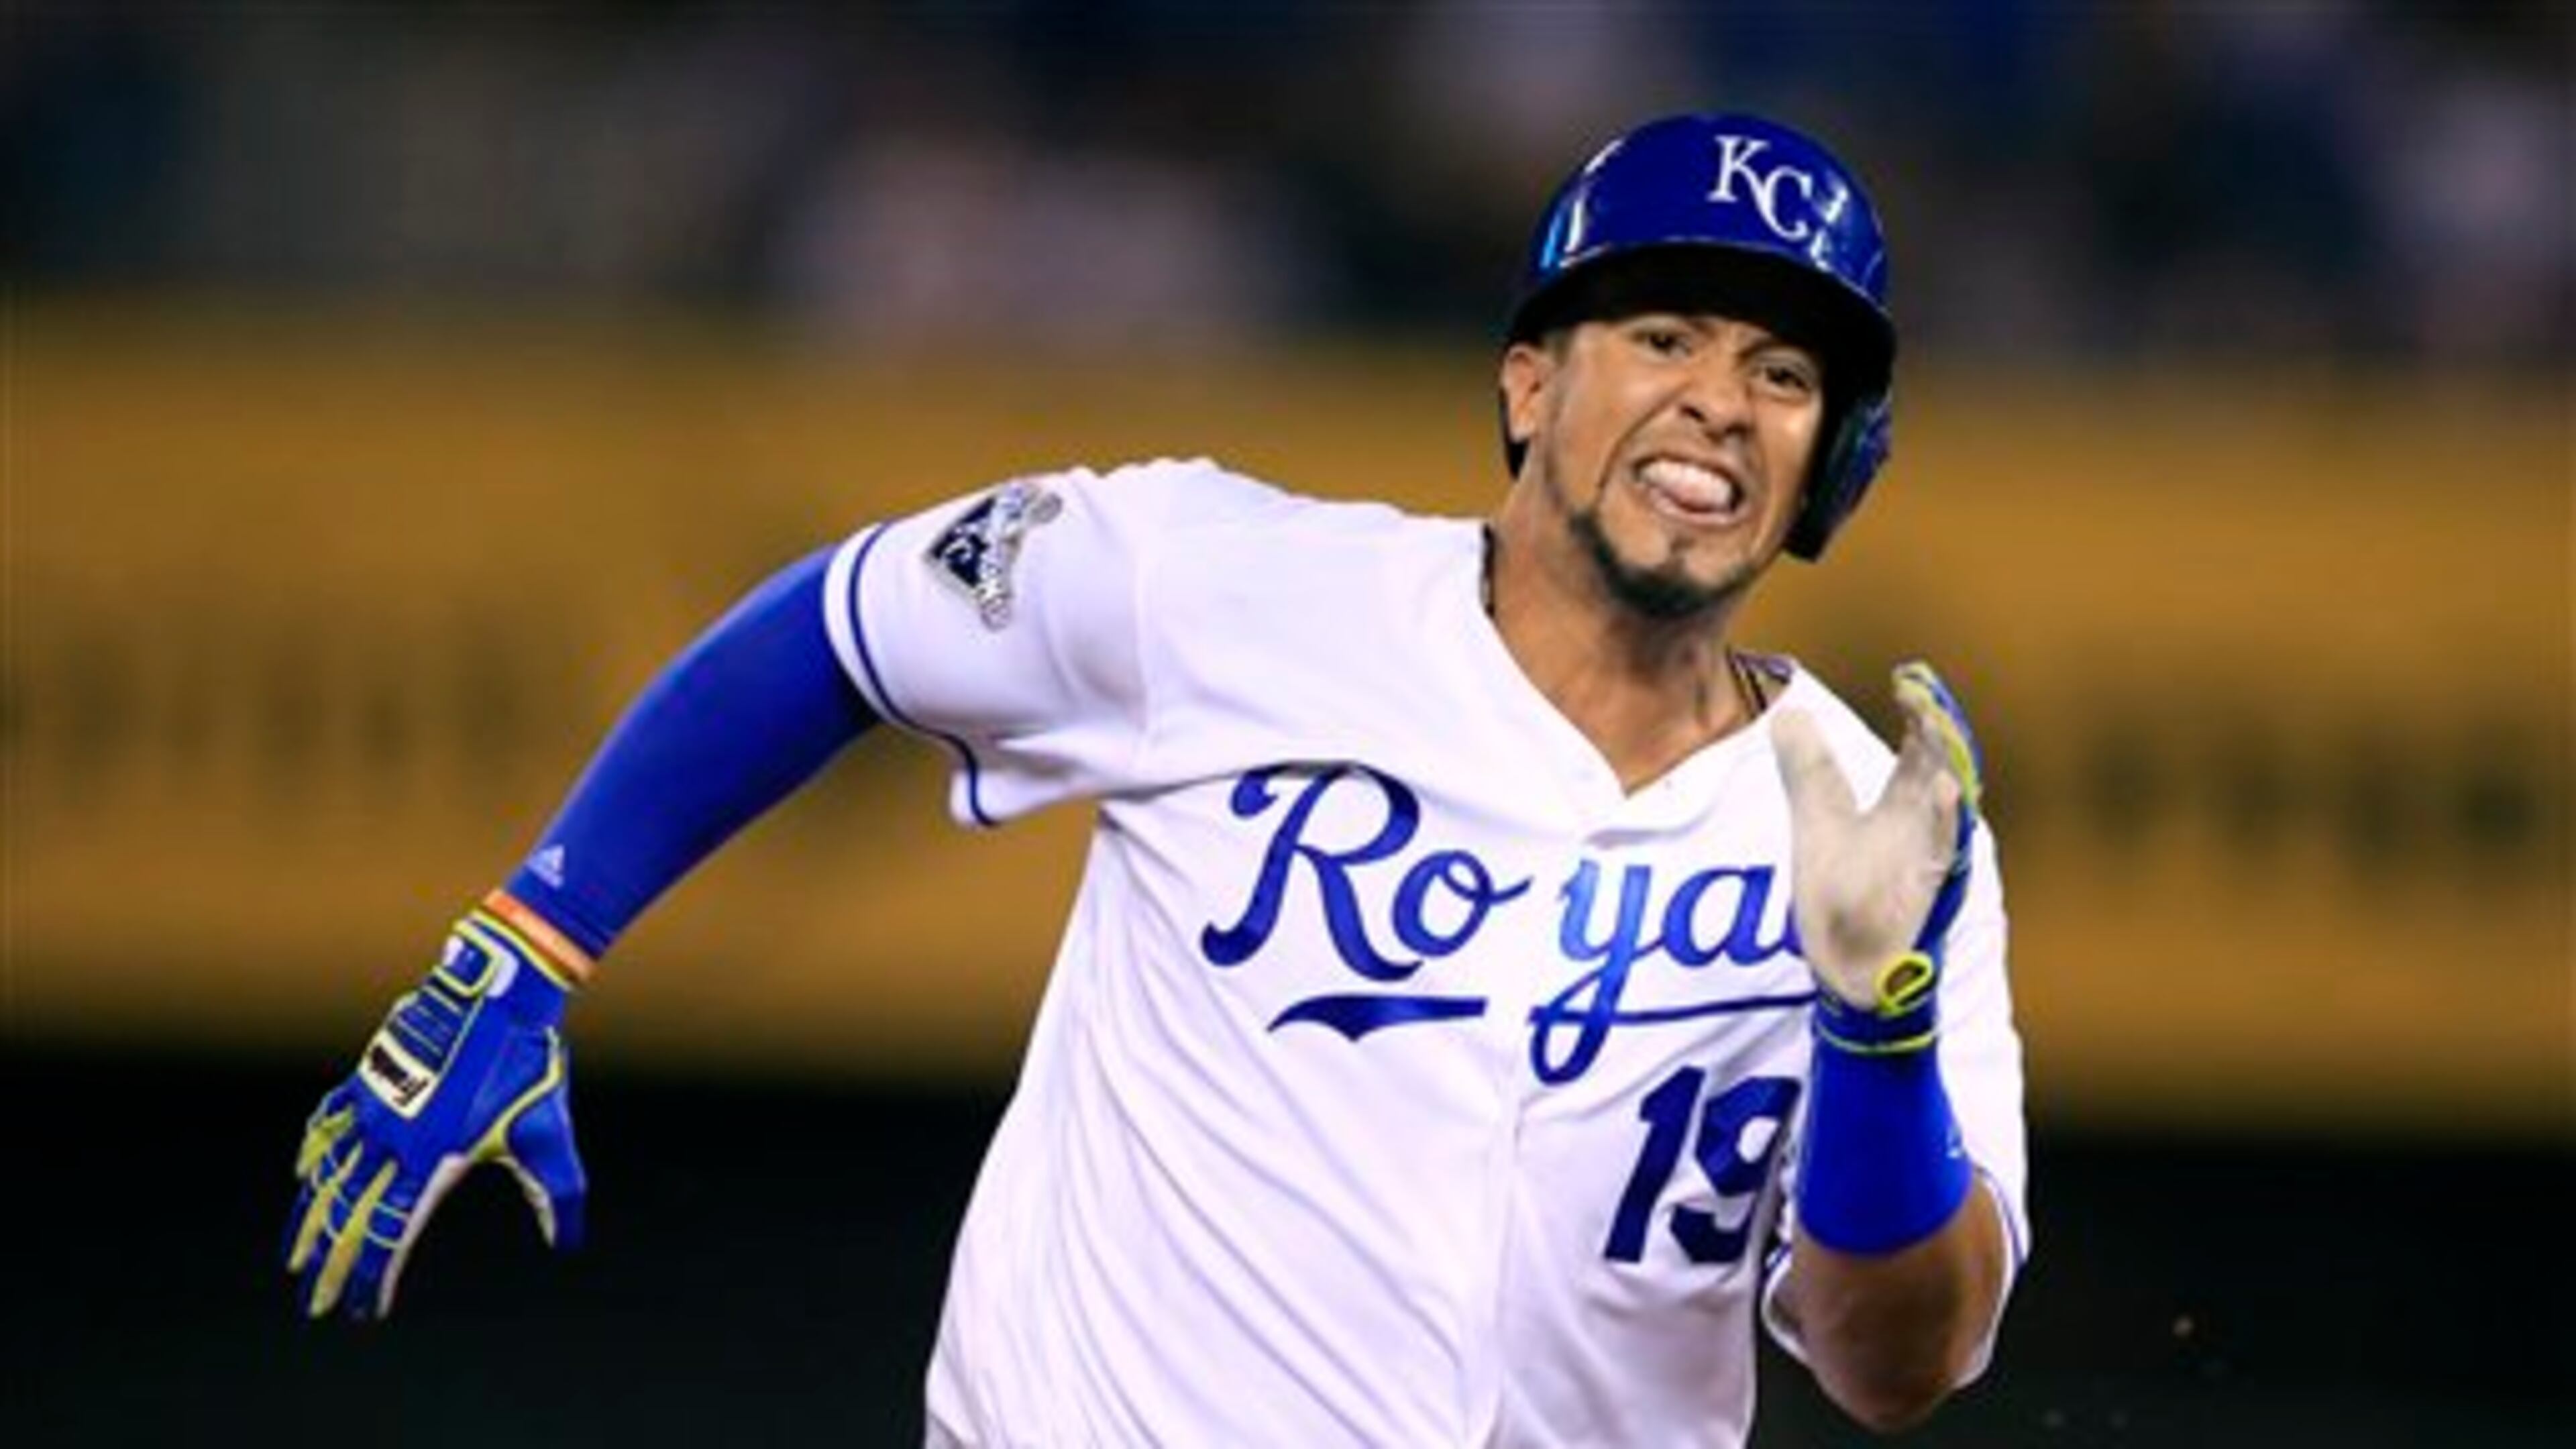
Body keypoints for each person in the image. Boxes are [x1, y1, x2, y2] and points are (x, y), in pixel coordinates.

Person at [286, 111, 2028, 1447]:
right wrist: (530, 939)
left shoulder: (1885, 840)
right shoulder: (1218, 585)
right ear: (1525, 385)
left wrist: (1875, 1034)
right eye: (1664, 336)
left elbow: (1899, 1367)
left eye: (1783, 373)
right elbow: (842, 625)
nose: (1720, 400)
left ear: (1830, 462)